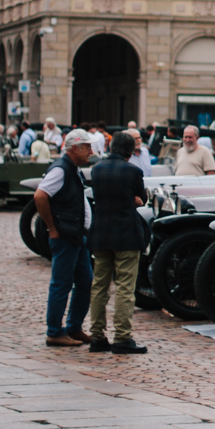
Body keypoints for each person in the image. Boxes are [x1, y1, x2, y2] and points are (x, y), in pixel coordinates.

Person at [88, 130, 148, 355]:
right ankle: (122, 336)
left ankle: (97, 336)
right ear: (131, 151)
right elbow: (142, 198)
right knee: (125, 287)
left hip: (100, 233)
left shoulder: (97, 169)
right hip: (126, 234)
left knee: (99, 287)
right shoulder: (133, 170)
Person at [33, 129, 94, 347]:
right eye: (87, 147)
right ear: (75, 148)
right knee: (62, 284)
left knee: (85, 282)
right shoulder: (61, 169)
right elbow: (40, 196)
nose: (91, 151)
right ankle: (54, 331)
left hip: (76, 236)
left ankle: (73, 327)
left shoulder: (72, 168)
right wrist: (52, 228)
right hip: (66, 236)